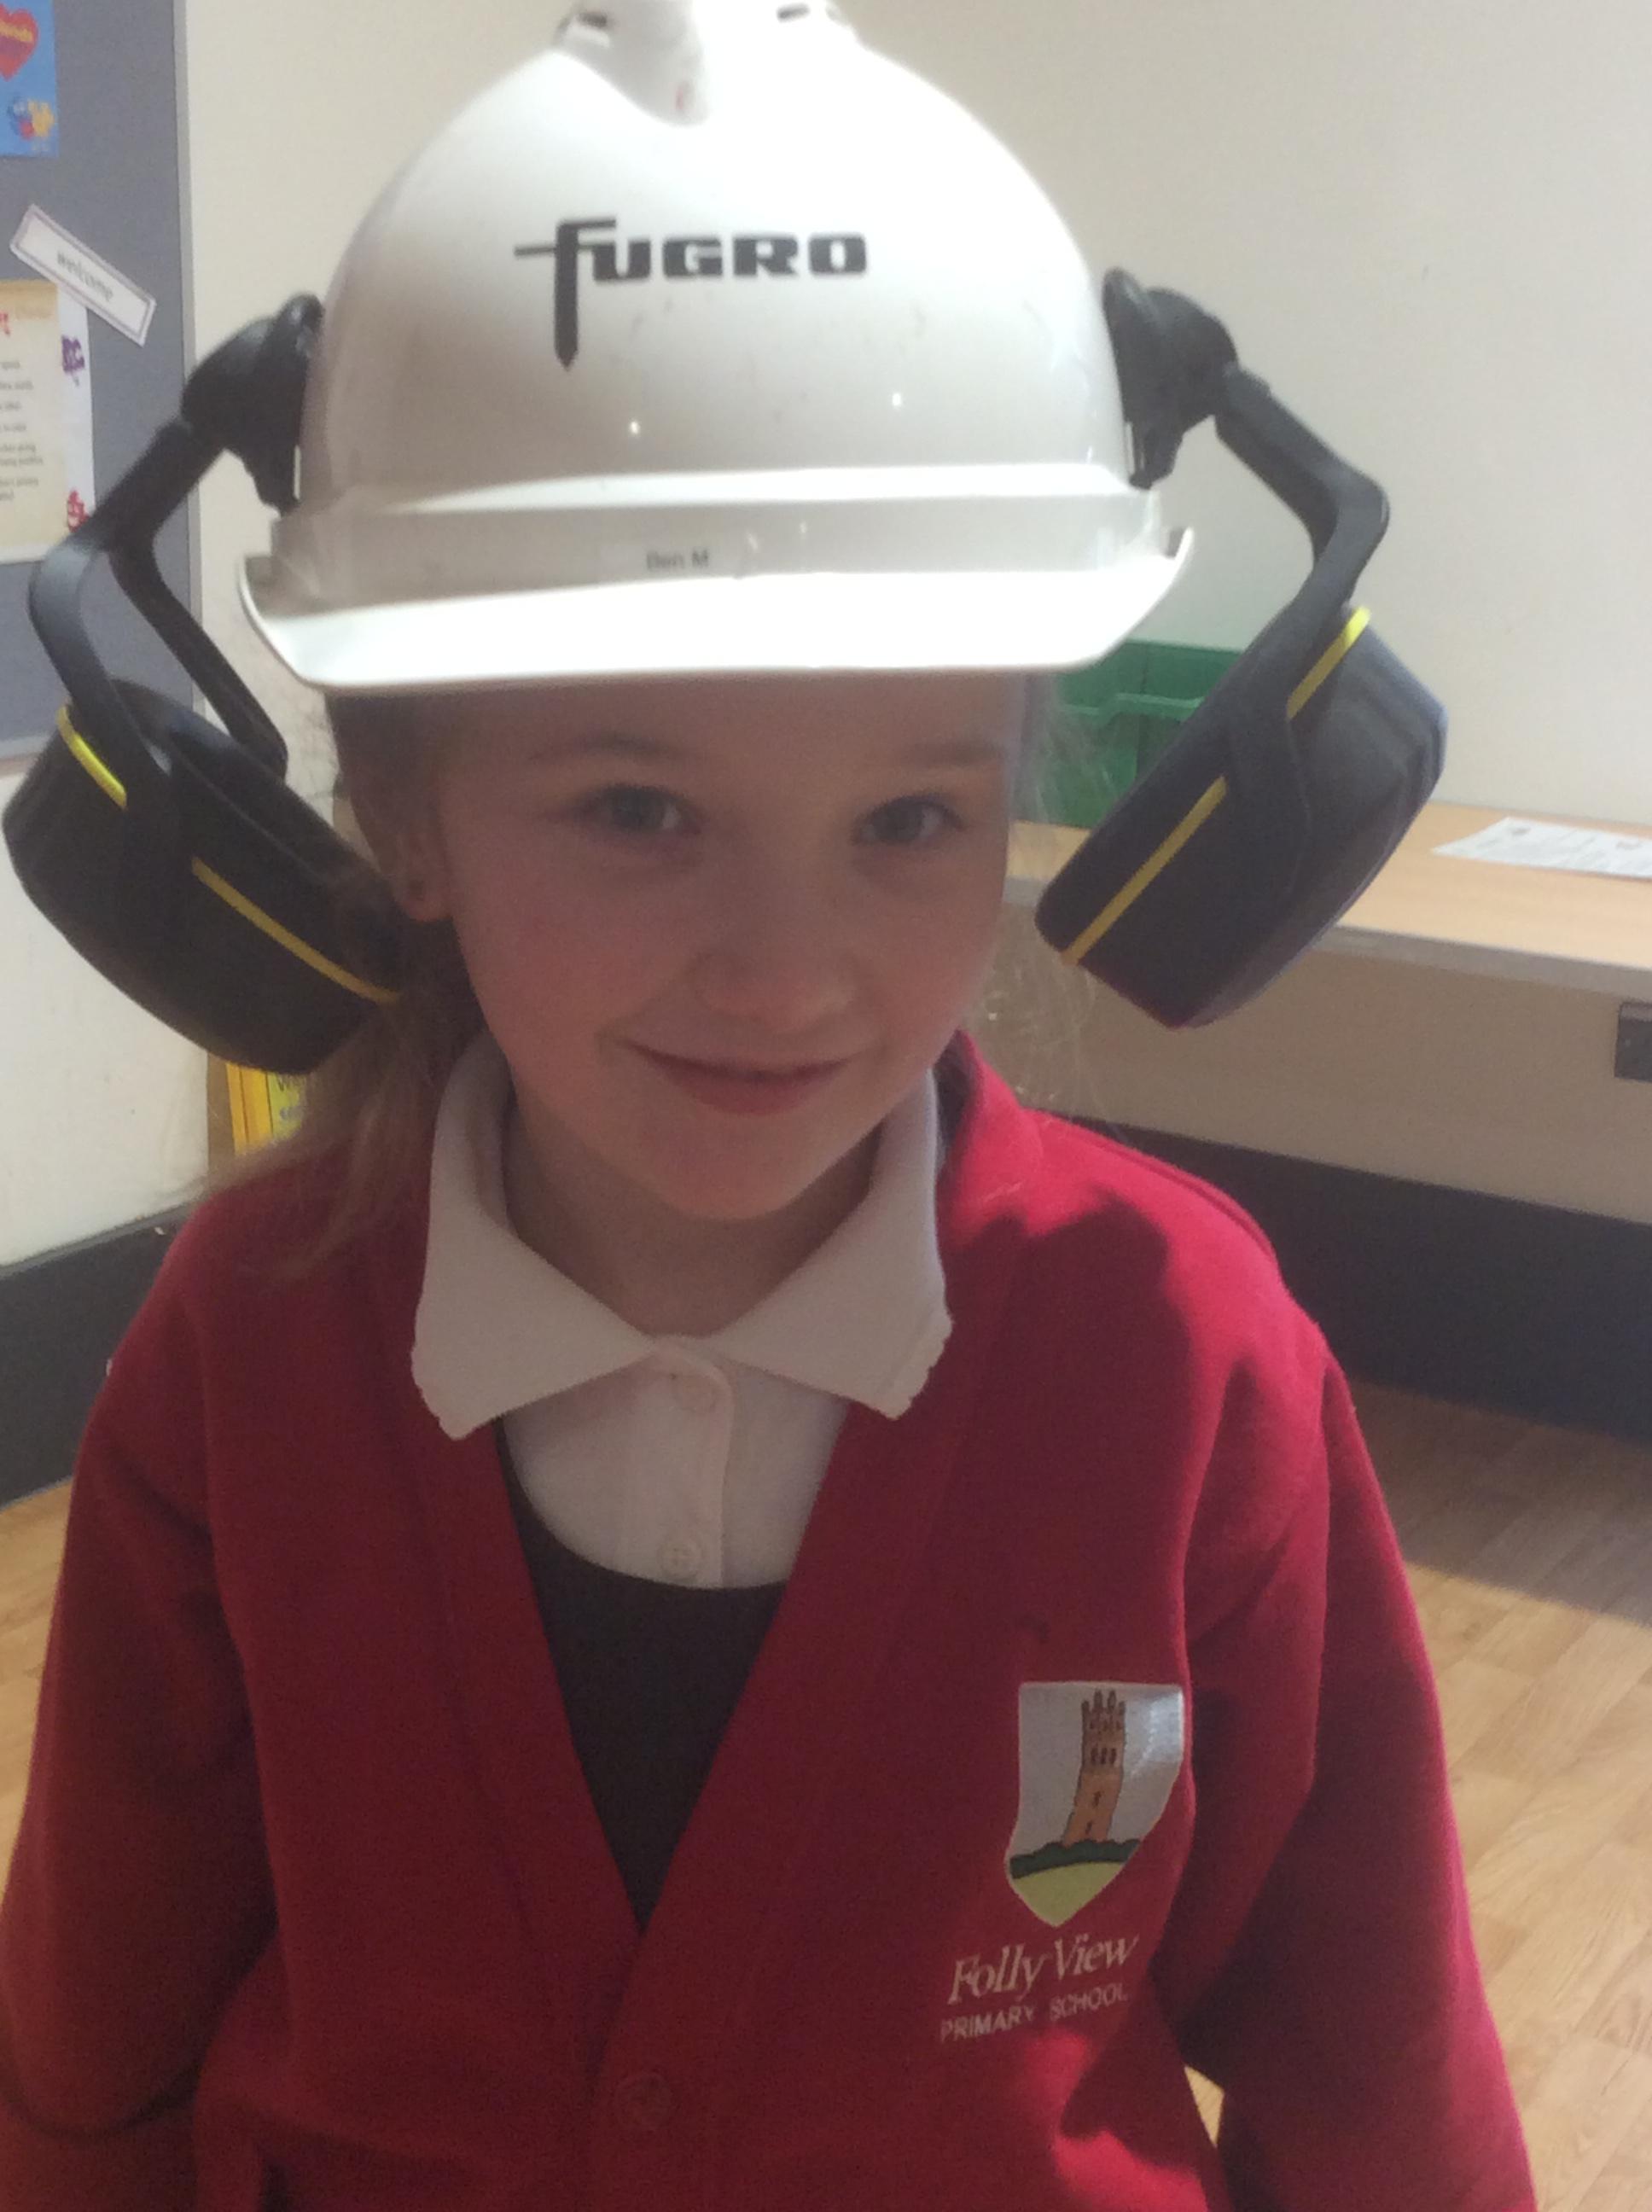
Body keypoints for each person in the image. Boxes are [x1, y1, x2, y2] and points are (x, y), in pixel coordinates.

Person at [0, 3, 1534, 2207]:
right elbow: (93, 2051)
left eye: (912, 820)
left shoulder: (1186, 1355)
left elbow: (1384, 2078)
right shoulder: (248, 1340)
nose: (789, 974)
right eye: (638, 808)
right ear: (403, 821)